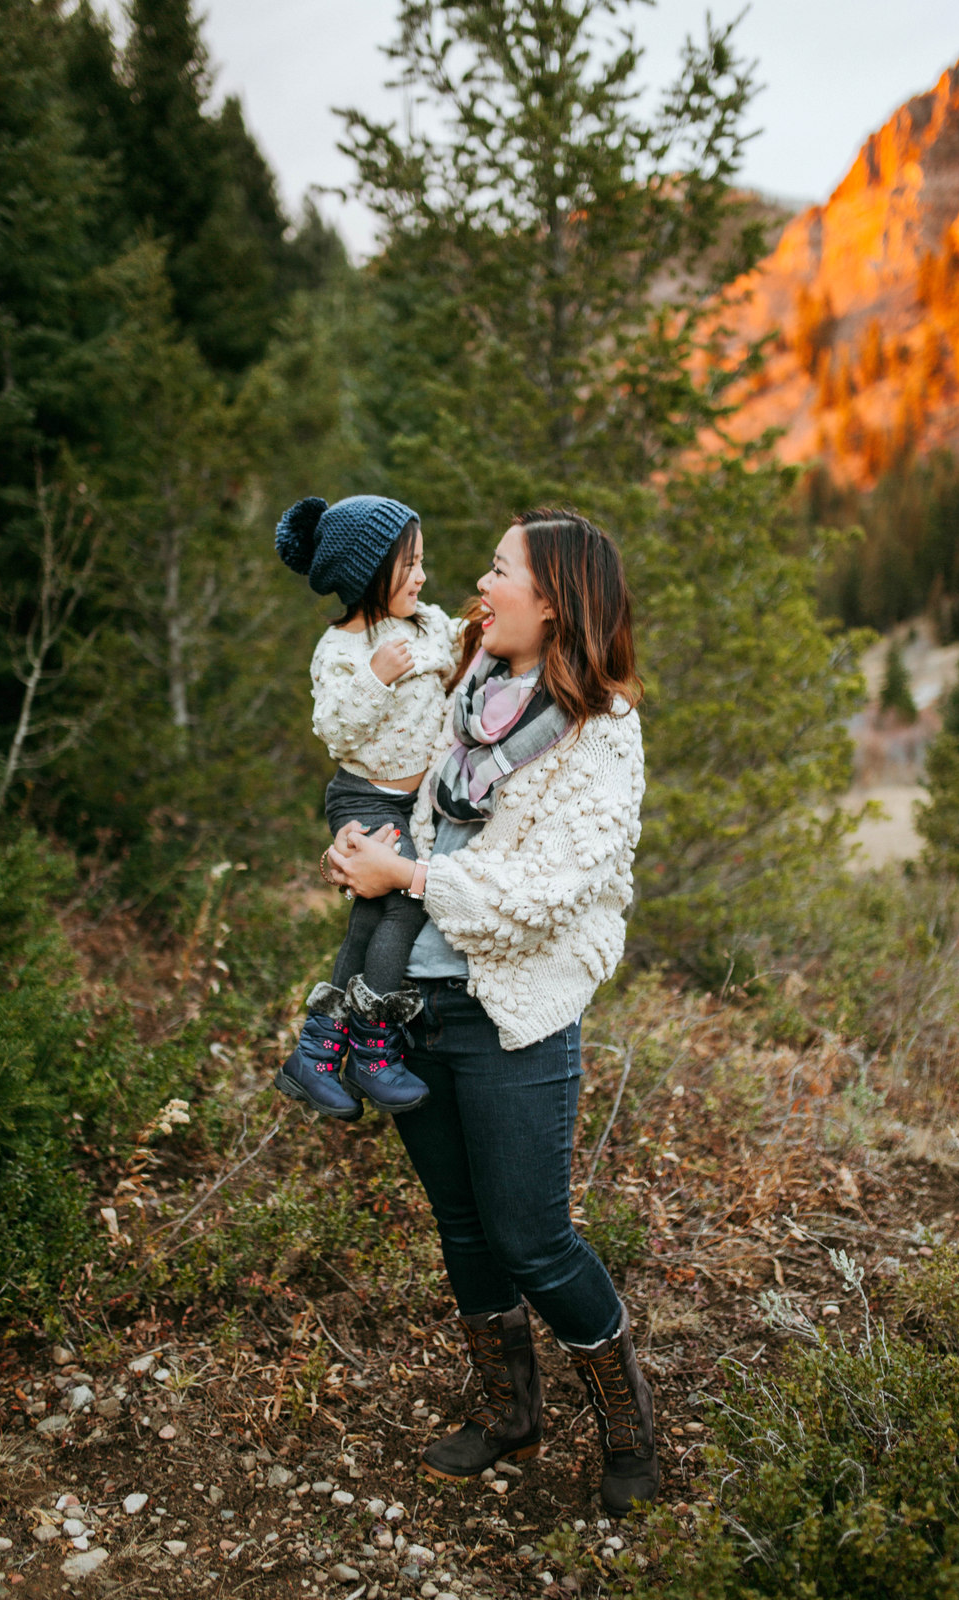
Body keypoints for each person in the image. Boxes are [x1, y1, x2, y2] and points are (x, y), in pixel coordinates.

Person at [324, 509, 658, 1516]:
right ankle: (510, 1411)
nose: (477, 581)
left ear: (554, 597)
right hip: (420, 997)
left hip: (511, 1012)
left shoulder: (602, 730)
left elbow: (544, 889)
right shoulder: (470, 686)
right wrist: (362, 850)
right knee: (462, 1228)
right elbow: (412, 799)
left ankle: (630, 1428)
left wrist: (409, 874)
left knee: (532, 1238)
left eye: (499, 569)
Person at [274, 493, 461, 1123]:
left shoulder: (423, 623)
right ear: (367, 572)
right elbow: (334, 729)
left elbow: (453, 647)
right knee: (405, 903)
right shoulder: (342, 651)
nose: (422, 576)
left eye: (423, 562)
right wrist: (376, 677)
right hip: (362, 795)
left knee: (370, 917)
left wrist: (482, 627)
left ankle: (318, 1050)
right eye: (409, 564)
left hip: (411, 803)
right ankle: (372, 1046)